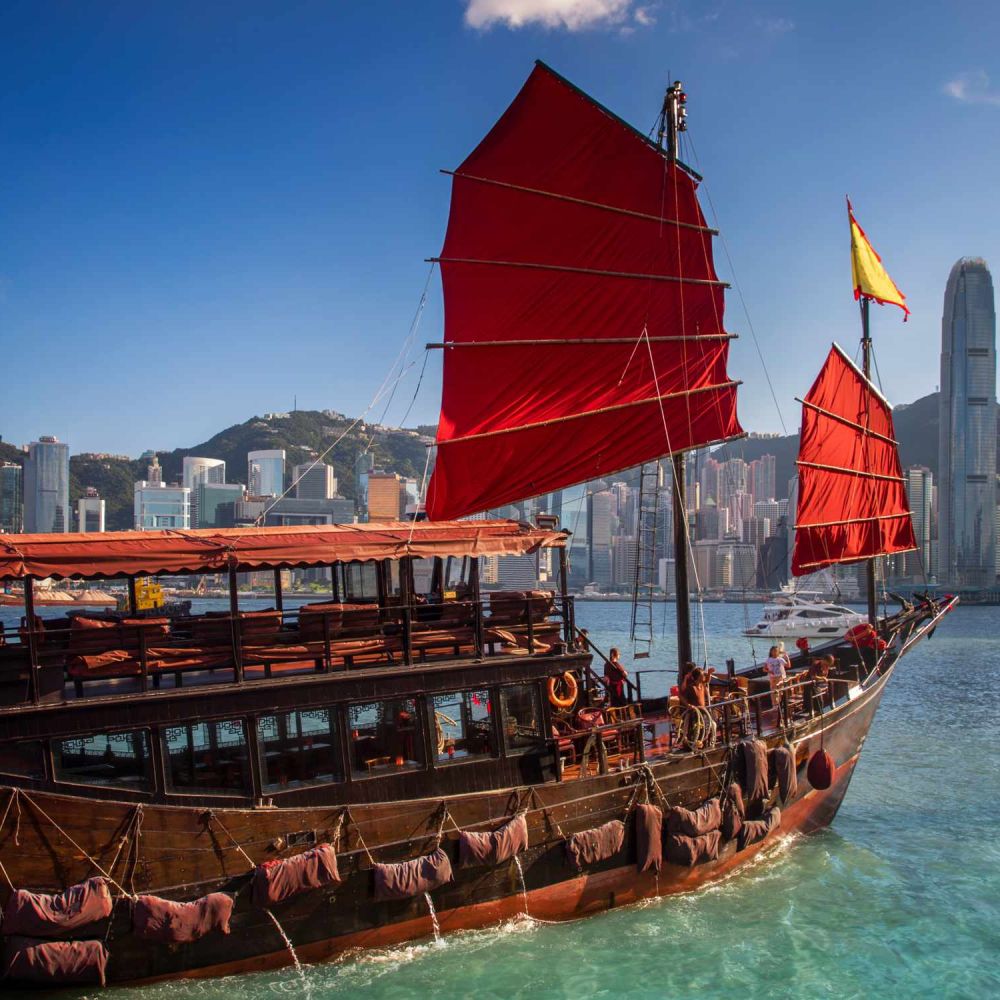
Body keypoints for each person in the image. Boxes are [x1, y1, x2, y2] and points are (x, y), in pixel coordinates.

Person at [679, 666, 717, 746]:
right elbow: (681, 696)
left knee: (713, 725)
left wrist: (709, 673)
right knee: (697, 729)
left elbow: (707, 680)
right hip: (695, 714)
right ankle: (695, 744)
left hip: (703, 713)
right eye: (703, 675)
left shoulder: (702, 685)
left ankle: (711, 743)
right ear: (698, 677)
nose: (704, 676)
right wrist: (688, 705)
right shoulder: (691, 687)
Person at [764, 644, 791, 712]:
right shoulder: (768, 660)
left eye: (776, 651)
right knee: (773, 692)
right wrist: (769, 671)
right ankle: (774, 705)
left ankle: (780, 704)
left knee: (780, 691)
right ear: (771, 652)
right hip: (773, 678)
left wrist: (787, 658)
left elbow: (788, 666)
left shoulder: (780, 659)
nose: (775, 652)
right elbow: (764, 669)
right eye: (773, 651)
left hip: (780, 677)